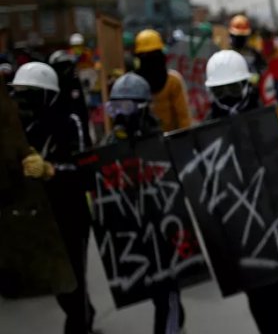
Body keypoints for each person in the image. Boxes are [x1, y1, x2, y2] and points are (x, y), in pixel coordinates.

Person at [204, 50, 278, 334]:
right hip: (238, 220)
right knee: (255, 292)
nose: (229, 96)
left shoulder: (264, 116)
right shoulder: (208, 127)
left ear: (246, 85)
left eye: (233, 88)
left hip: (273, 213)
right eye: (222, 90)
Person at [10, 62, 95, 334]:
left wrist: (51, 170)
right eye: (20, 93)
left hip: (71, 212)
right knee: (57, 283)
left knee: (74, 282)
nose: (23, 101)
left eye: (30, 94)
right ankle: (83, 312)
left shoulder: (70, 122)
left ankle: (80, 324)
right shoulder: (20, 128)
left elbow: (85, 169)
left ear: (48, 95)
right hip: (40, 217)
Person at [103, 72, 186, 334]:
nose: (118, 114)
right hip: (134, 234)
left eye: (124, 107)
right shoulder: (110, 145)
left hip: (163, 229)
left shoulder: (159, 142)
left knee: (168, 295)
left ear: (141, 108)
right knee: (157, 294)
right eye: (113, 106)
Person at [134, 29, 192, 132]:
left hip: (171, 143)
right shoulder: (134, 84)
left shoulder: (173, 82)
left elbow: (183, 119)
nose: (151, 63)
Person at [48, 50, 92, 149]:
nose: (66, 71)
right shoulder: (52, 87)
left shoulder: (74, 83)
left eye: (68, 67)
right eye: (62, 67)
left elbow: (82, 112)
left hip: (78, 133)